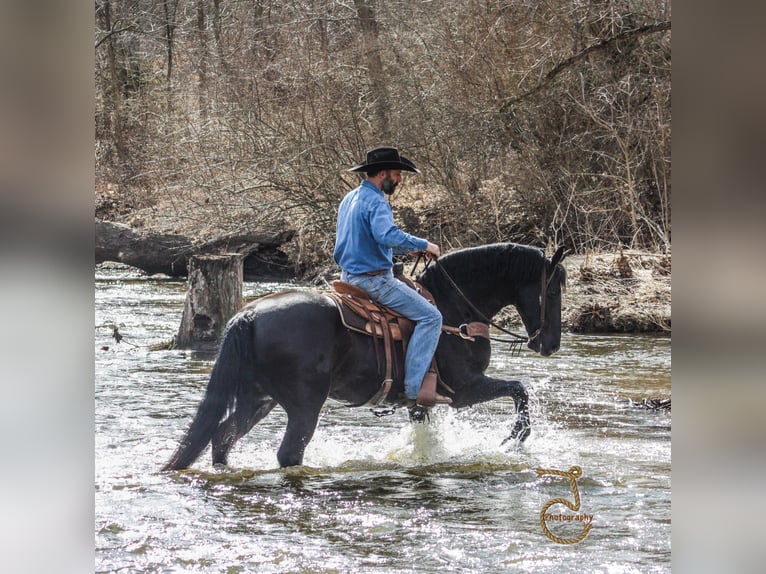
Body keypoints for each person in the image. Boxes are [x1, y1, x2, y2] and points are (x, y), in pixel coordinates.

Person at [334, 146, 451, 407]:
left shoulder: (350, 198)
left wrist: (405, 248)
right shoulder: (376, 201)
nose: (399, 180)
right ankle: (413, 390)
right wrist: (423, 245)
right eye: (397, 174)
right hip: (373, 281)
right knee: (432, 317)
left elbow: (371, 237)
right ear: (383, 173)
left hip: (347, 278)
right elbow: (386, 235)